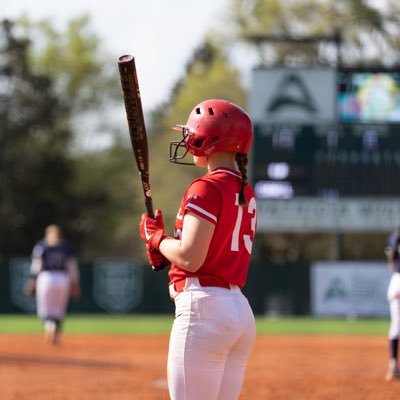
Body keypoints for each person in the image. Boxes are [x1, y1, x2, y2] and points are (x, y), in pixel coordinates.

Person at [139, 99, 257, 400]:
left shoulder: (205, 187)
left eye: (192, 131)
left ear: (211, 137)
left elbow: (191, 257)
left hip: (205, 310)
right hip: (238, 312)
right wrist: (165, 248)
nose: (187, 138)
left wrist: (157, 239)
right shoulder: (244, 190)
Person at [24, 224, 81, 345]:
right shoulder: (66, 247)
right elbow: (72, 268)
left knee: (45, 307)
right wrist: (75, 284)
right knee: (59, 308)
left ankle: (49, 326)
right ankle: (55, 328)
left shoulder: (42, 246)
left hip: (46, 277)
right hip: (62, 278)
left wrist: (32, 281)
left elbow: (36, 266)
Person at [385, 227, 400, 381]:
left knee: (396, 325)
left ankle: (393, 366)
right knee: (396, 326)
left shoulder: (395, 236)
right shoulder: (396, 236)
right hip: (398, 282)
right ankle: (393, 366)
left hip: (396, 282)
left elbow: (391, 262)